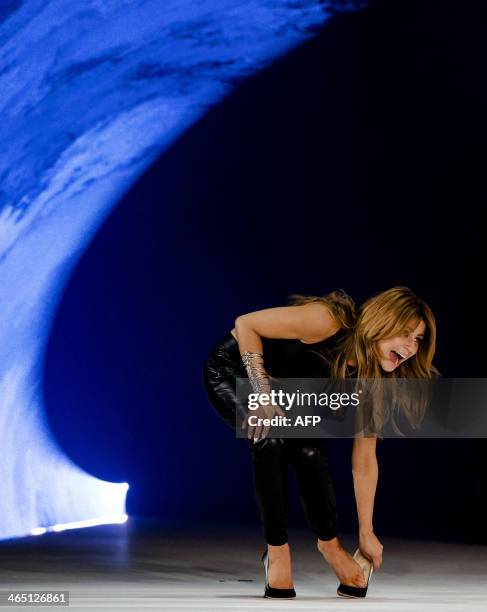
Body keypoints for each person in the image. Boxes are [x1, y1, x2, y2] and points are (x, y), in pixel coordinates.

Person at [202, 286, 438, 598]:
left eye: (418, 340)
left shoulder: (372, 383)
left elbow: (364, 462)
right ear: (382, 321)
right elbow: (246, 323)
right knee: (270, 438)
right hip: (234, 370)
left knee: (309, 450)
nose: (410, 347)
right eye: (406, 334)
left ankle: (329, 545)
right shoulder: (328, 320)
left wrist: (366, 532)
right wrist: (261, 392)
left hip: (288, 390)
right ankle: (277, 554)